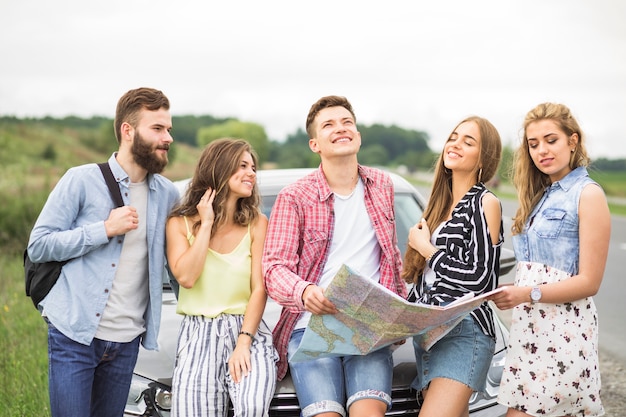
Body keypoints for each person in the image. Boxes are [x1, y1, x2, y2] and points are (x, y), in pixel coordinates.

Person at [27, 87, 180, 417]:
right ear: (128, 131)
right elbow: (39, 245)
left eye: (168, 128)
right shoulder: (80, 180)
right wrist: (104, 230)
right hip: (75, 334)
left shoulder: (167, 194)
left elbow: (177, 265)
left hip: (127, 342)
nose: (167, 137)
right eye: (157, 128)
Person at [262, 95, 407, 417]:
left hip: (370, 326)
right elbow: (274, 267)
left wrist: (403, 310)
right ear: (315, 144)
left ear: (357, 135)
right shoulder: (294, 197)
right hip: (313, 328)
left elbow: (391, 257)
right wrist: (304, 291)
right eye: (329, 125)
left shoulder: (382, 185)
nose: (340, 129)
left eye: (347, 122)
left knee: (369, 412)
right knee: (325, 413)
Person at [491, 103, 610, 416]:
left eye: (551, 140)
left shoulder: (588, 194)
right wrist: (513, 288)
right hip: (530, 329)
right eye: (533, 144)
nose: (542, 150)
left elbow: (589, 282)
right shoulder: (540, 195)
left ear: (573, 141)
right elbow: (536, 270)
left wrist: (526, 293)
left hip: (564, 332)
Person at [166, 138, 277, 416]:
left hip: (247, 331)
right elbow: (187, 277)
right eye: (242, 165)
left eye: (253, 167)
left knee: (252, 408)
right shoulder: (179, 224)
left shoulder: (257, 223)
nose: (251, 173)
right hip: (198, 334)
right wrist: (205, 225)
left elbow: (259, 288)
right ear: (219, 168)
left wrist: (244, 341)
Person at [402, 116, 503, 417]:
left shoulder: (484, 203)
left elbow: (482, 280)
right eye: (454, 137)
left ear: (483, 158)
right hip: (428, 335)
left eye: (468, 141)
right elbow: (428, 283)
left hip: (464, 331)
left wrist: (427, 249)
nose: (455, 144)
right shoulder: (436, 206)